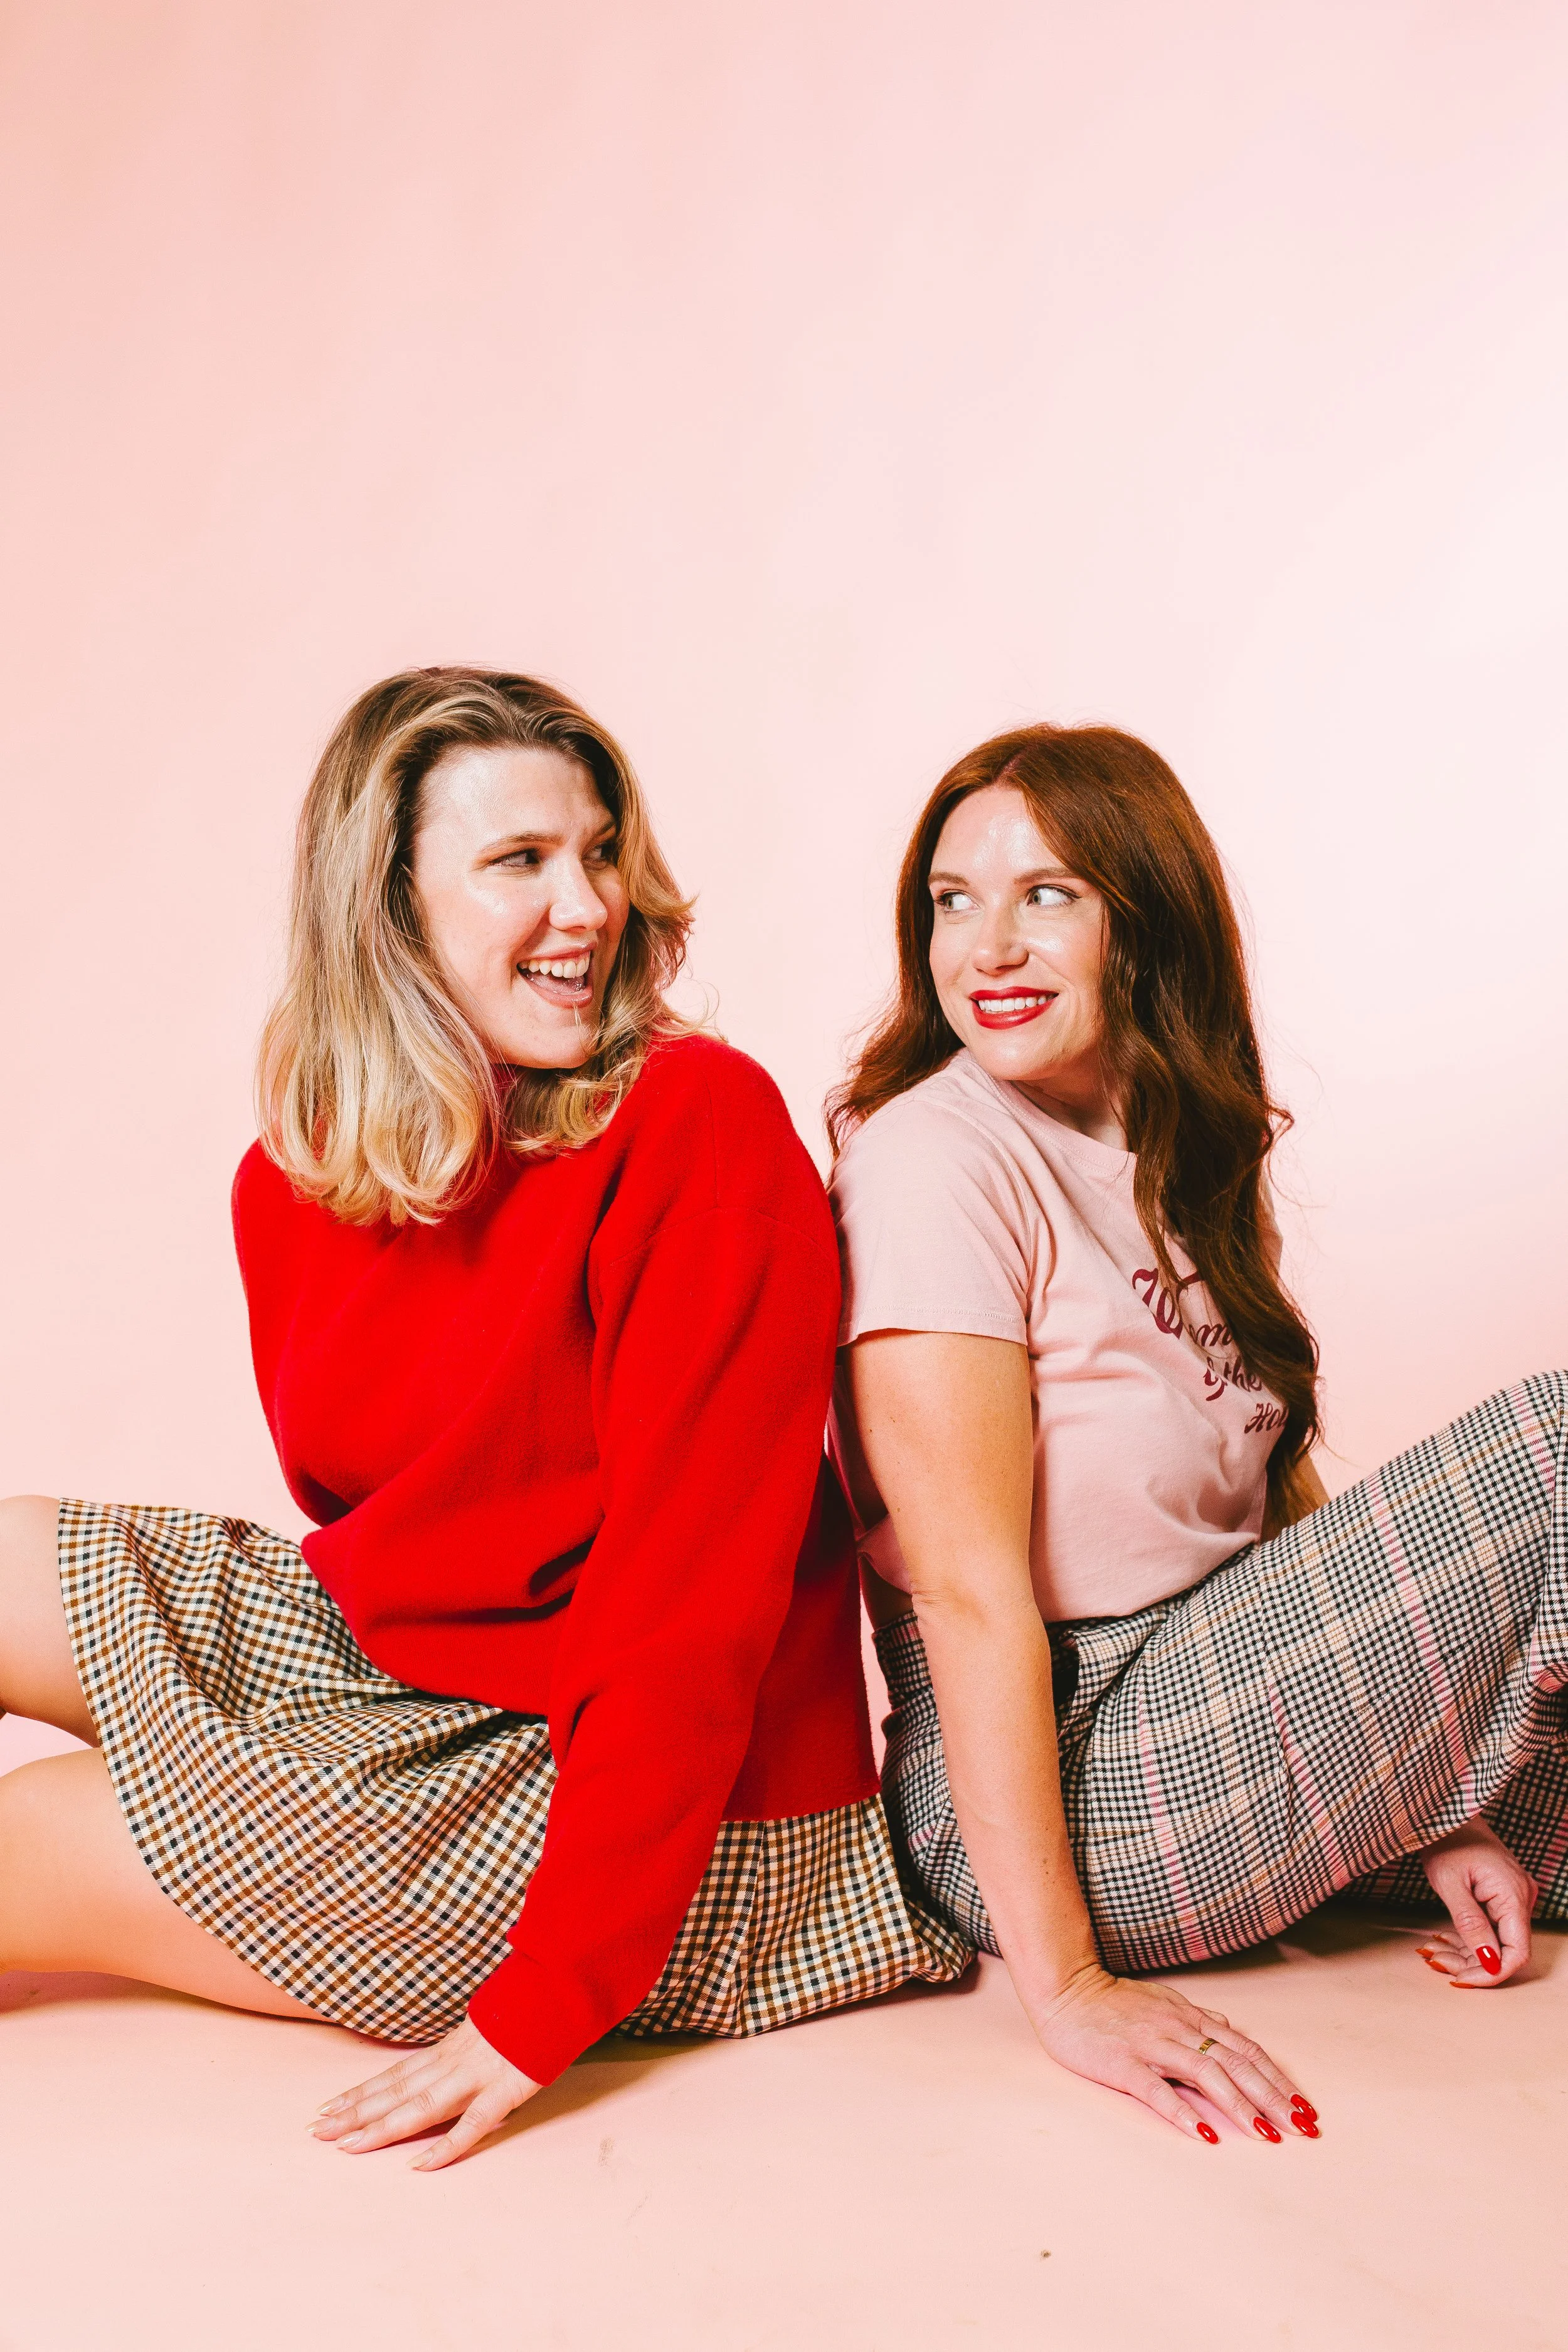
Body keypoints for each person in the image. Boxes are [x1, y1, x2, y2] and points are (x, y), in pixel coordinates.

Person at [0, 667, 967, 2169]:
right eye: (519, 863)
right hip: (431, 1680)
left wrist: (536, 2009)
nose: (584, 909)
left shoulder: (694, 1126)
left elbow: (684, 1618)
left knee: (26, 1848)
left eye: (595, 852)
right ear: (383, 912)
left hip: (686, 1825)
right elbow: (392, 1533)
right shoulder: (296, 1180)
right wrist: (274, 1712)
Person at [827, 722, 1566, 2149]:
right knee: (1554, 1442)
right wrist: (1065, 1990)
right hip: (1079, 1771)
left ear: (1140, 920)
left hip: (1228, 1705)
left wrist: (1430, 1799)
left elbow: (1275, 1516)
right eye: (950, 898)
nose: (987, 942)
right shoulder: (933, 1160)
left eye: (1047, 894)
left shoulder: (1175, 1150)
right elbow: (971, 1598)